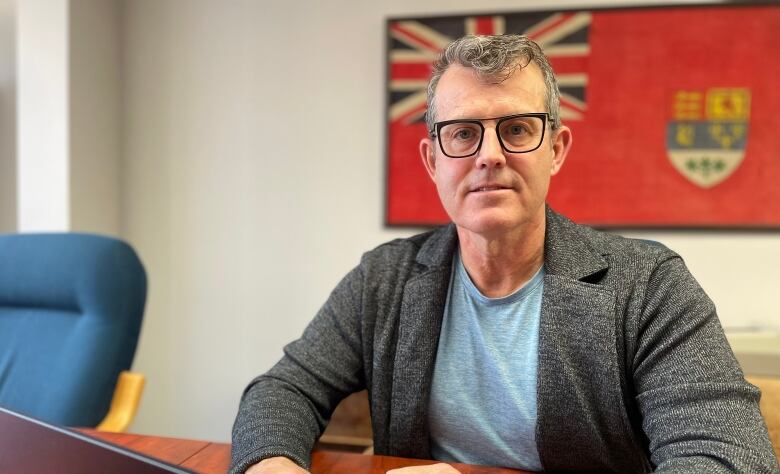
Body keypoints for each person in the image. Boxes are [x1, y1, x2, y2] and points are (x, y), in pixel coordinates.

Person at [230, 35, 778, 474]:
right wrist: (272, 463)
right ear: (432, 160)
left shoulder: (649, 286)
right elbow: (283, 390)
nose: (489, 155)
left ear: (556, 149)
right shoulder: (384, 279)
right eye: (463, 133)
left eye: (516, 129)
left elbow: (729, 455)